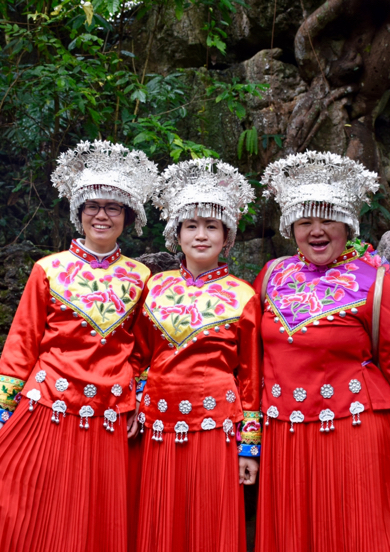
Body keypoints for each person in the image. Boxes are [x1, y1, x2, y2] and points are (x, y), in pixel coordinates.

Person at [253, 151, 390, 552]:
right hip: (285, 432)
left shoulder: (373, 280)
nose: (317, 231)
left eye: (328, 219)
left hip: (351, 430)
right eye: (305, 221)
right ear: (291, 228)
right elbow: (250, 357)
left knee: (349, 532)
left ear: (347, 224)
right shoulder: (271, 276)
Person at [0, 140, 159, 552]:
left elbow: (144, 352)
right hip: (47, 406)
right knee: (32, 504)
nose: (102, 215)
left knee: (94, 518)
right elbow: (20, 346)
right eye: (93, 206)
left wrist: (139, 400)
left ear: (128, 215)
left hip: (111, 411)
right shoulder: (48, 270)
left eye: (113, 207)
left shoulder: (142, 278)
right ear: (78, 212)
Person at [128, 158, 262, 552]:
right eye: (191, 226)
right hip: (156, 422)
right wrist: (134, 402)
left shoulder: (244, 295)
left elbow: (251, 377)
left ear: (227, 236)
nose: (201, 235)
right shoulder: (153, 287)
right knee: (159, 517)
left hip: (216, 423)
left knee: (209, 519)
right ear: (177, 233)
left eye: (212, 226)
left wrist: (249, 447)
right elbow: (138, 355)